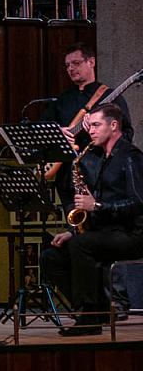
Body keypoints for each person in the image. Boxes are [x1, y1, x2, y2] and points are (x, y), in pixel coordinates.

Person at [39, 104, 143, 336]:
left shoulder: (131, 157)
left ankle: (89, 319)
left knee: (81, 246)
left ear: (114, 125)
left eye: (96, 125)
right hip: (104, 233)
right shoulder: (97, 158)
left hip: (131, 234)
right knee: (50, 257)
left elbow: (138, 203)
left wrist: (96, 205)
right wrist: (75, 230)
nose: (91, 131)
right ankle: (98, 307)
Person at [42, 43, 133, 173]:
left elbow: (126, 134)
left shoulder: (111, 96)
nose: (71, 69)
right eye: (68, 65)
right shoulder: (61, 100)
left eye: (76, 63)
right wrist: (58, 132)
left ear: (91, 62)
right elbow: (41, 127)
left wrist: (100, 132)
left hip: (99, 170)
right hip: (66, 173)